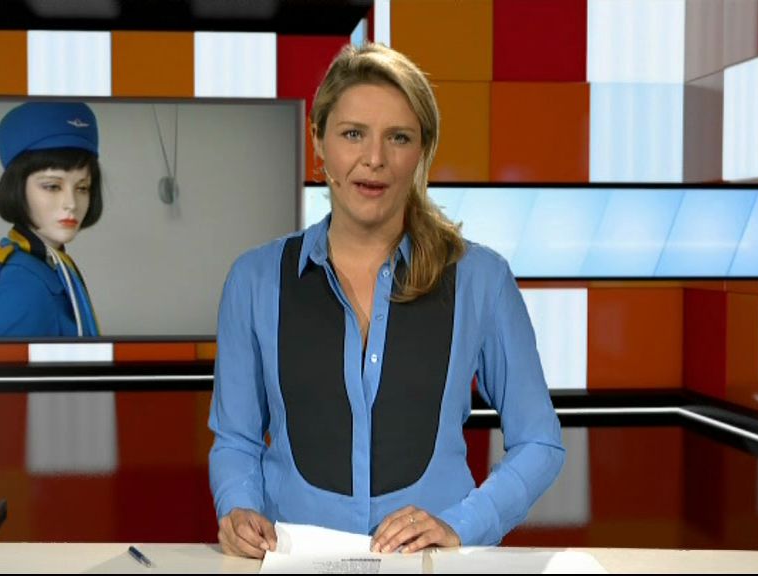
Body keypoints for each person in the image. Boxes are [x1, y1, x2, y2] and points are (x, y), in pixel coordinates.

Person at [208, 43, 564, 558]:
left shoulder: (481, 279)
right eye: (353, 134)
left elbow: (540, 442)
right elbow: (236, 440)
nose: (374, 159)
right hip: (295, 559)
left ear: (422, 150)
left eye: (398, 137)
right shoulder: (254, 280)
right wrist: (238, 507)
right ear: (318, 140)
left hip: (433, 566)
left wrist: (463, 523)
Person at [0, 101, 103, 338]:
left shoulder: (46, 264)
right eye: (52, 186)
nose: (71, 203)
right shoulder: (24, 284)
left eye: (82, 187)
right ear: (17, 189)